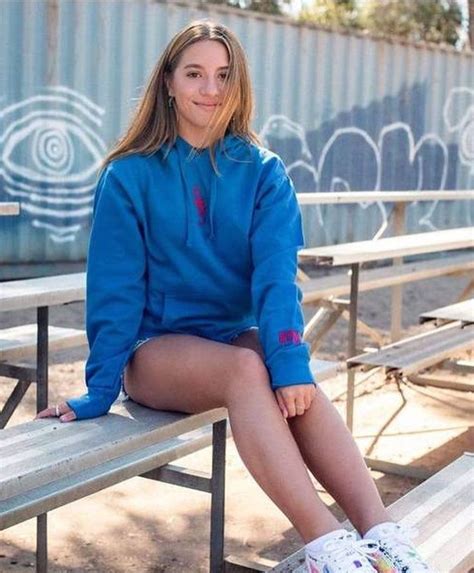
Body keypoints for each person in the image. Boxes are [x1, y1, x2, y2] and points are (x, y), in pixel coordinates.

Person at [36, 19, 433, 573]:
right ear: (168, 83)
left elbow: (275, 280)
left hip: (228, 336)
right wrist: (98, 392)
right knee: (247, 370)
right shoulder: (128, 176)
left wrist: (291, 364)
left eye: (224, 75)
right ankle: (327, 549)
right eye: (195, 74)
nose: (210, 88)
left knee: (279, 368)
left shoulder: (264, 172)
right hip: (153, 351)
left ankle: (383, 534)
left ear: (238, 84)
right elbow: (115, 291)